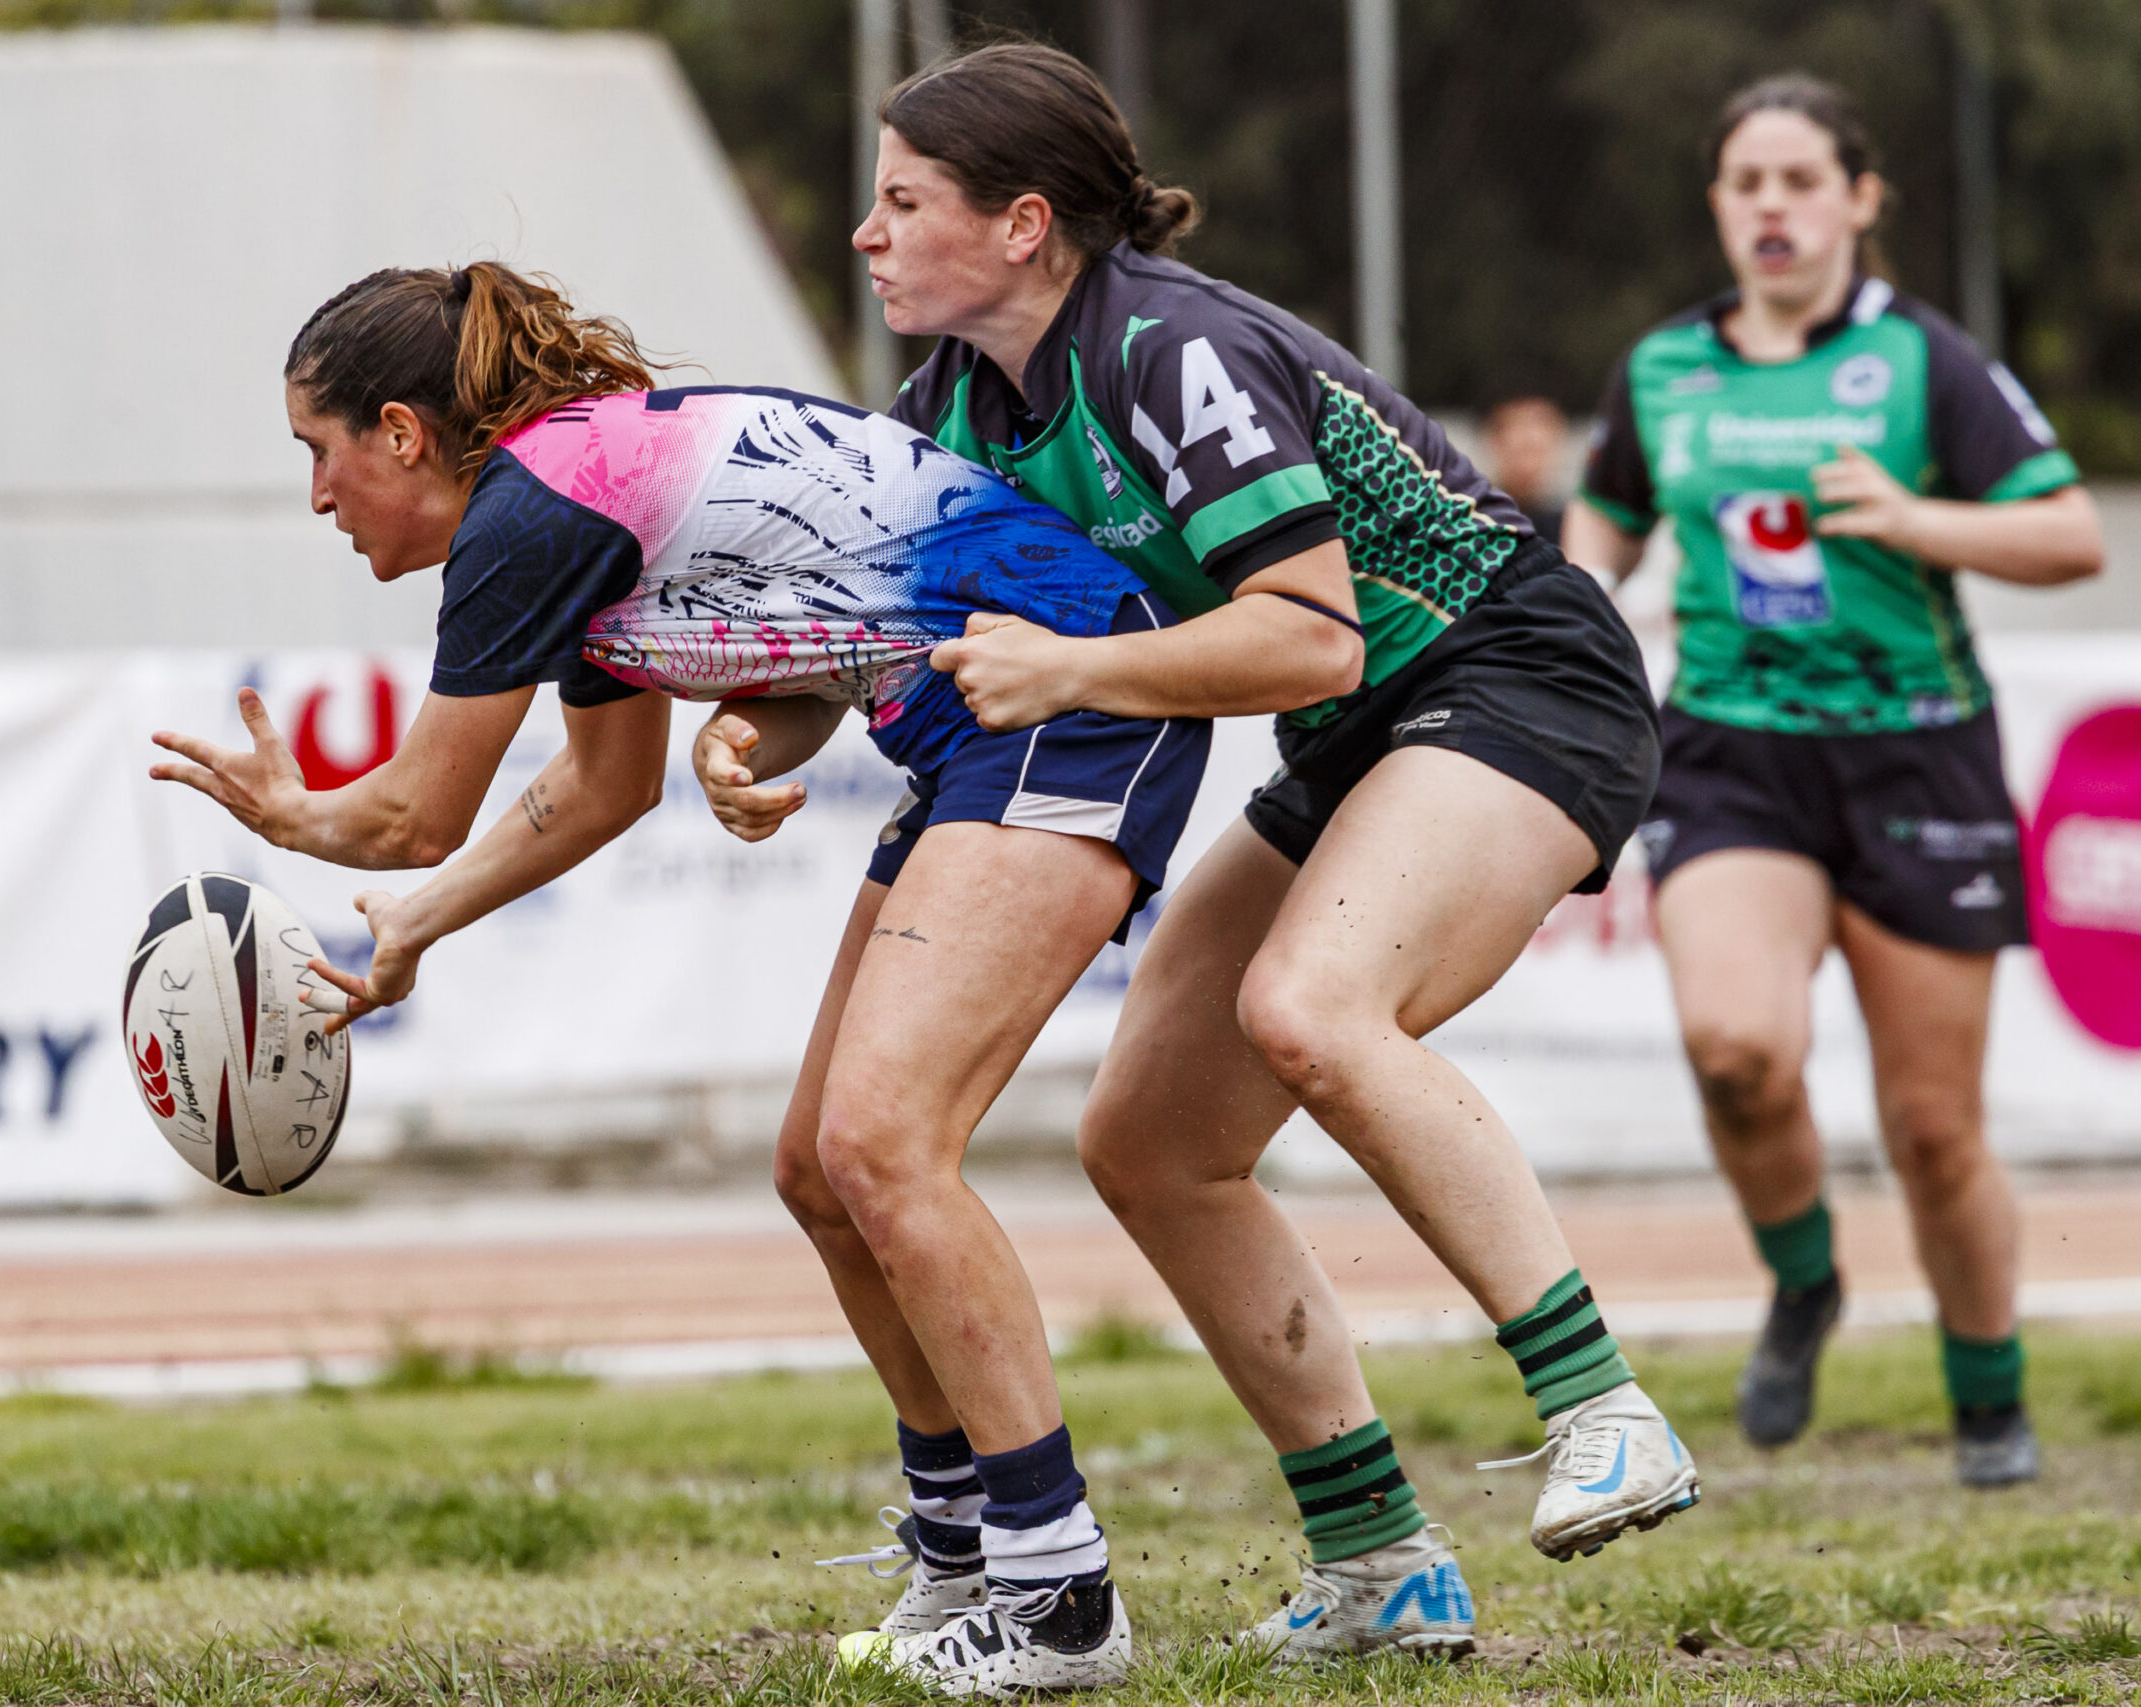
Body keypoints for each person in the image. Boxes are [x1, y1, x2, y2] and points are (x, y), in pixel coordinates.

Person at [712, 43, 1700, 1669]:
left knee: (1313, 1009)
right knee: (1152, 1135)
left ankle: (1604, 1404)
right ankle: (1383, 1556)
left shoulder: (1170, 348)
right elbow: (856, 639)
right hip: (1359, 732)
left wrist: (1074, 670)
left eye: (899, 201)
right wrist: (751, 737)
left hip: (1517, 675)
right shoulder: (956, 399)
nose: (865, 236)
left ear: (1024, 224)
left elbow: (1310, 636)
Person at [149, 262, 1219, 1695]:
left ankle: (1060, 1594)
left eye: (320, 454)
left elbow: (416, 812)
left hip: (1074, 702)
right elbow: (599, 792)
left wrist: (306, 825)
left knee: (882, 1145)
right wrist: (412, 927)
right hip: (976, 734)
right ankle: (964, 1557)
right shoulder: (573, 494)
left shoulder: (532, 511)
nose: (321, 497)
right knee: (819, 1169)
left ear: (401, 432)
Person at [1562, 75, 2103, 1487]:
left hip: (1920, 748)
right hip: (1733, 749)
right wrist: (1576, 599)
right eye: (1748, 183)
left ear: (1861, 199)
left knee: (1935, 1127)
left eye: (1803, 181)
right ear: (1719, 207)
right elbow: (1605, 518)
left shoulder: (1926, 361)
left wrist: (1919, 517)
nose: (1774, 208)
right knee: (1739, 1050)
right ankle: (1805, 1278)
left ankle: (1988, 1397)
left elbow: (2071, 531)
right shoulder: (1666, 367)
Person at [1481, 393, 1574, 546]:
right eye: (1522, 449)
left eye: (1536, 450)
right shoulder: (1473, 524)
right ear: (1494, 441)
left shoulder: (1570, 528)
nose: (1529, 463)